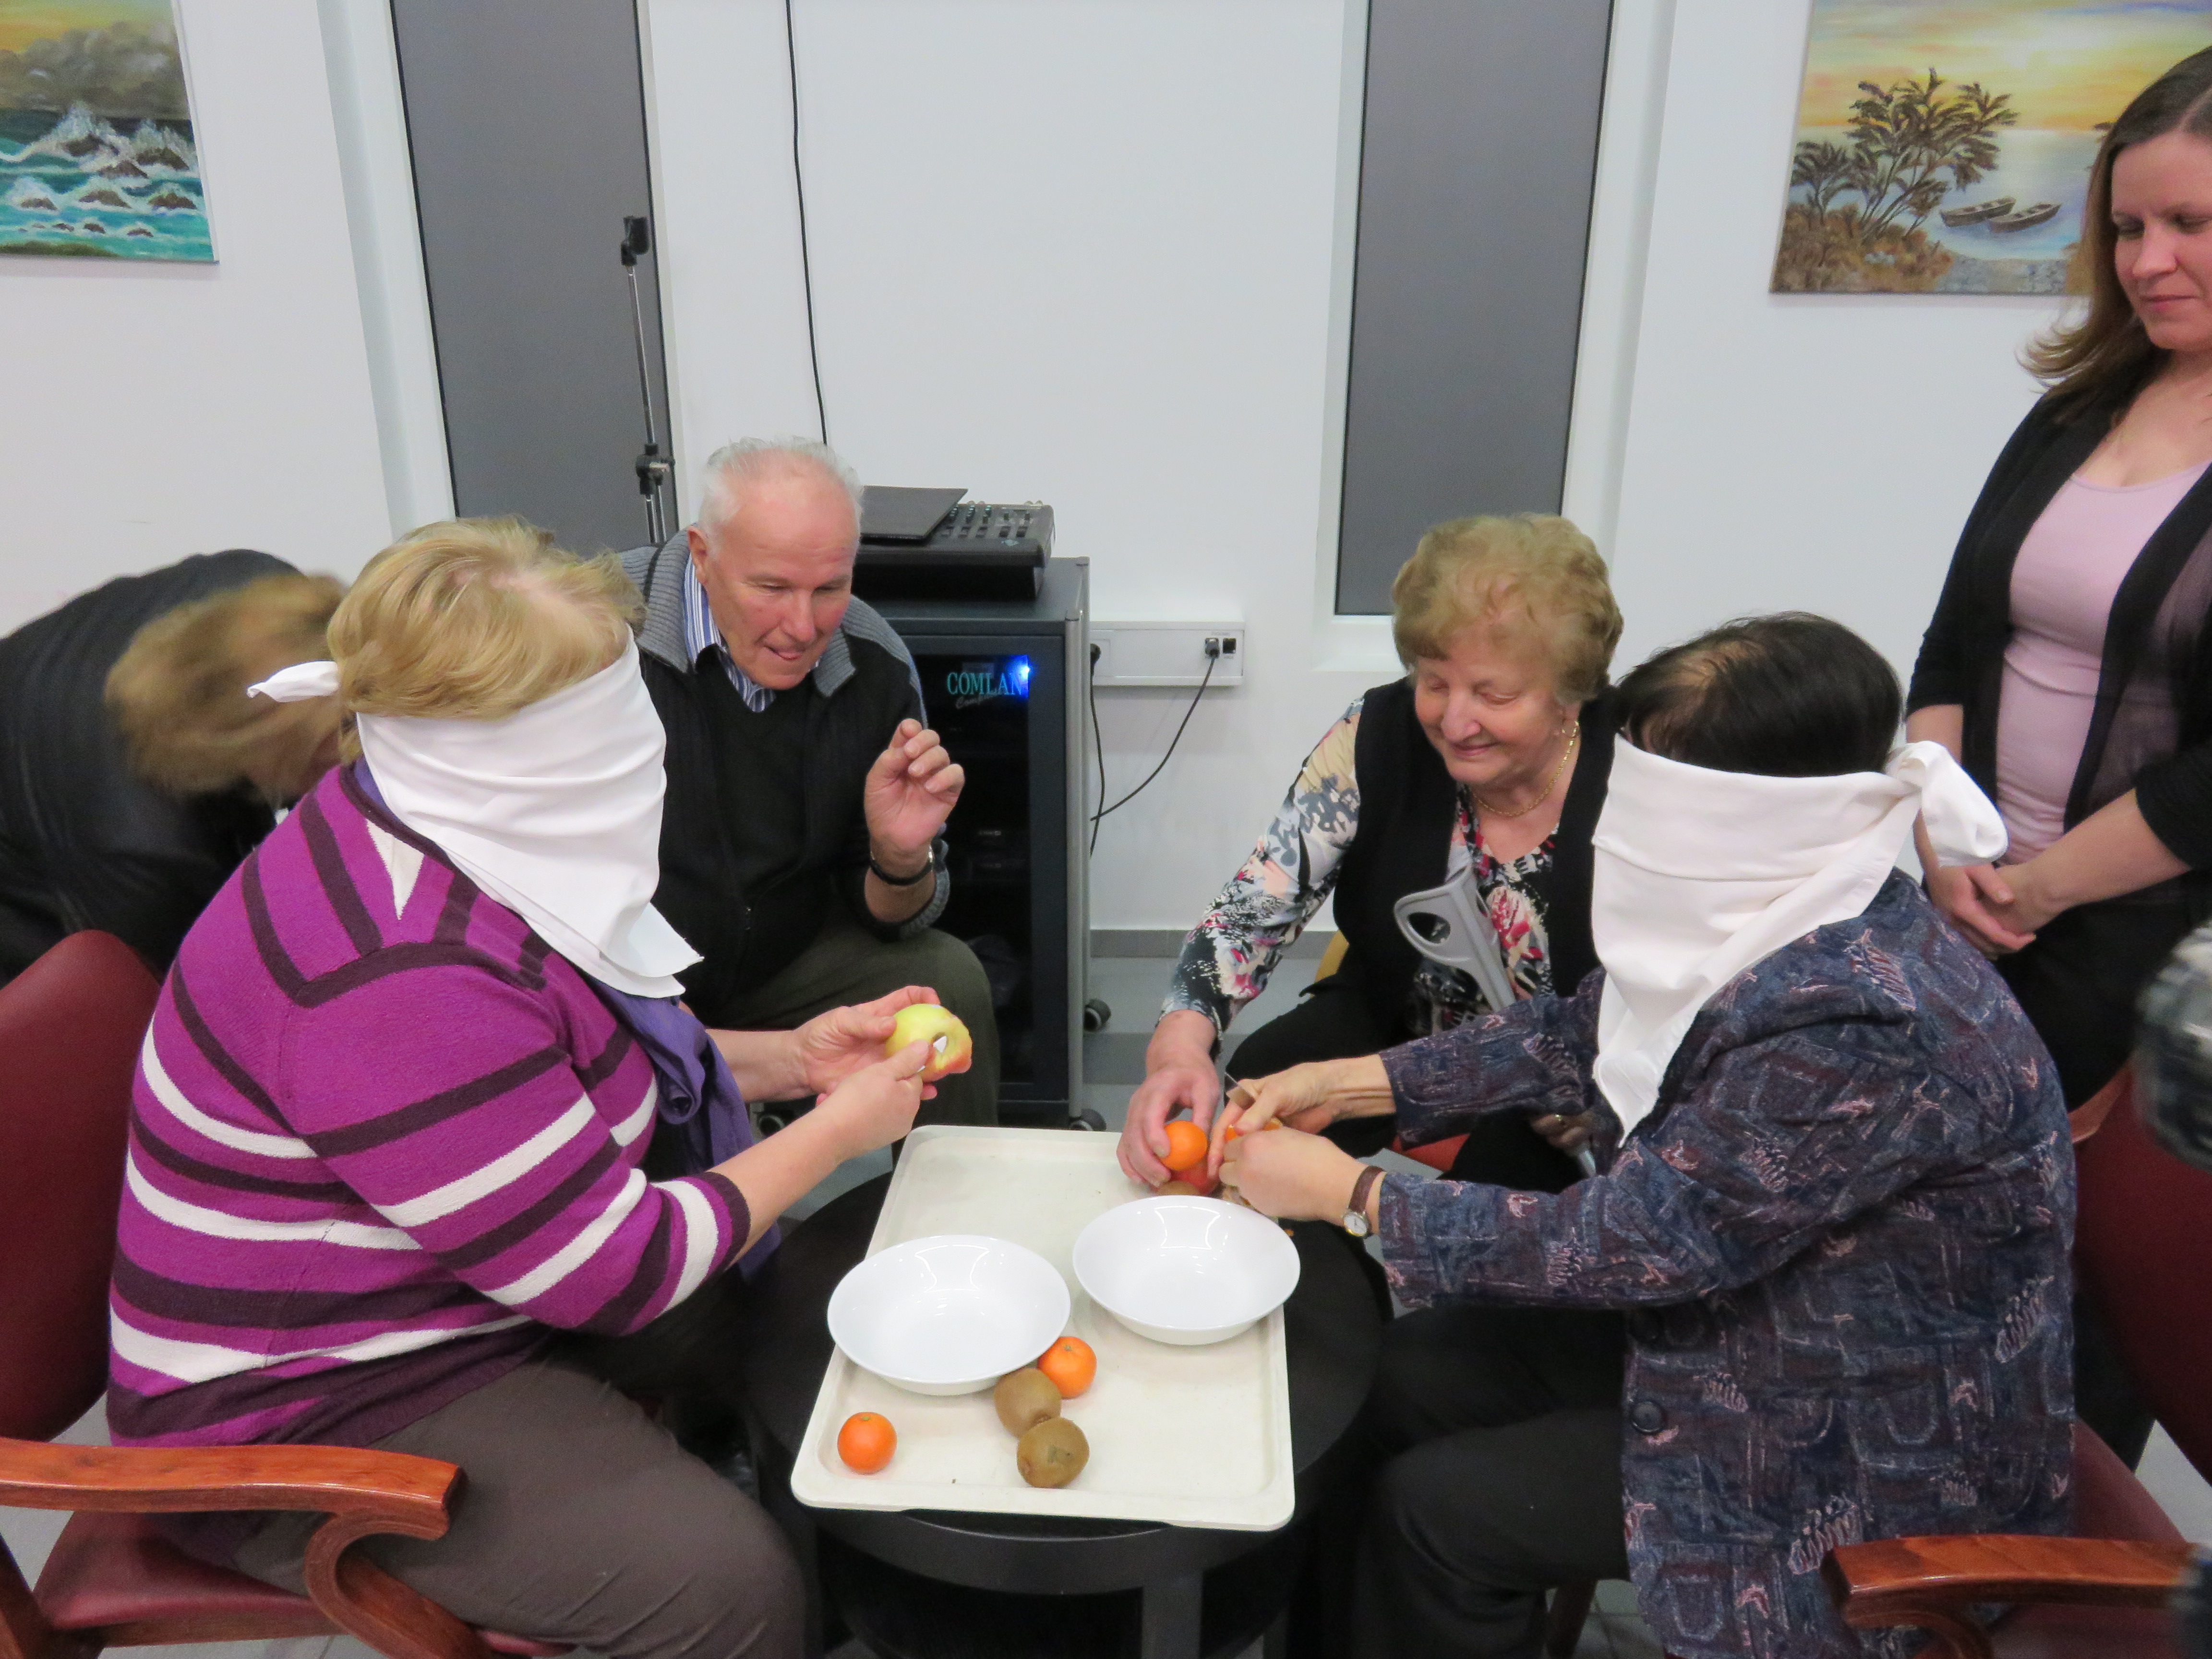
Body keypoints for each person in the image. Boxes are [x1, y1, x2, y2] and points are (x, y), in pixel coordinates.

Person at [108, 519, 951, 1659]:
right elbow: (617, 1266)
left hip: (470, 1281)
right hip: (317, 1406)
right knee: (729, 1590)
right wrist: (842, 1129)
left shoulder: (443, 832)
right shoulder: (394, 971)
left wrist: (797, 1061)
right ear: (519, 757)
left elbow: (550, 1078)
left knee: (821, 1302)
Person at [1215, 615, 2072, 1659]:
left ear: (1758, 815)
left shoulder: (1865, 1020)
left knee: (1435, 1516)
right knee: (1388, 1382)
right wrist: (1351, 1083)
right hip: (1736, 1319)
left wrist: (1351, 1196)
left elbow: (1637, 1241)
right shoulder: (1789, 903)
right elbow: (1572, 1029)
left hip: (1855, 1439)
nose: (1620, 833)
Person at [1907, 46, 2212, 1464]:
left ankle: (2031, 1561)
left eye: (2190, 224)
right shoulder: (2078, 407)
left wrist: (2034, 894)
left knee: (2058, 1328)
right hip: (1964, 904)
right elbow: (1953, 638)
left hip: (2127, 956)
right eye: (2128, 226)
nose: (2148, 261)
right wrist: (1935, 828)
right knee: (1901, 1276)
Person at [1120, 514, 1623, 1194]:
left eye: (1494, 694)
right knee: (1257, 1095)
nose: (1455, 721)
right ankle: (1309, 1260)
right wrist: (1178, 1047)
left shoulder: (1641, 770)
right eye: (1435, 683)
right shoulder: (1378, 733)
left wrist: (1604, 1078)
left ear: (1571, 696)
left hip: (1564, 1081)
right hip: (1397, 1022)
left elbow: (1696, 996)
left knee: (1512, 1186)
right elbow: (1251, 912)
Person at [624, 437, 999, 1127]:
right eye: (771, 589)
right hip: (622, 975)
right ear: (702, 554)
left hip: (781, 959)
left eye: (830, 588)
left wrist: (898, 855)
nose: (803, 627)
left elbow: (892, 914)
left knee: (946, 979)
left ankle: (946, 1193)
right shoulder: (596, 637)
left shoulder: (875, 663)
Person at [0, 551, 342, 984]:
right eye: (323, 764)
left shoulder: (265, 592)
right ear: (244, 751)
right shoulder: (148, 853)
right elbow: (211, 996)